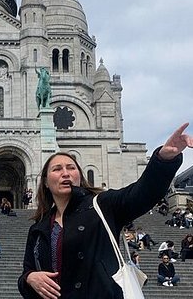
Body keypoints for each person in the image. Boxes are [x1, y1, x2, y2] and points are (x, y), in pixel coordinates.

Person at [18, 122, 193, 299]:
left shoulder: (102, 205)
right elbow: (27, 272)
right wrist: (29, 278)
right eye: (57, 169)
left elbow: (142, 194)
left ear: (80, 176)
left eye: (71, 168)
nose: (65, 173)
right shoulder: (39, 228)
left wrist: (163, 161)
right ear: (46, 182)